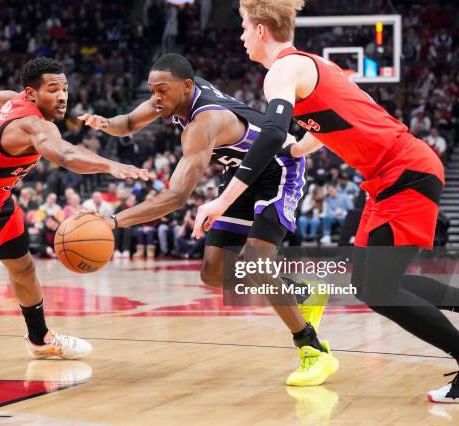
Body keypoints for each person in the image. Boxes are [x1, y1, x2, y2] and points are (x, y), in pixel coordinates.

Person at [193, 0, 459, 403]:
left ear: (263, 29)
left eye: (244, 27)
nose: (241, 36)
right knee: (373, 282)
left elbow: (270, 133)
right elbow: (328, 126)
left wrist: (222, 199)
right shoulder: (313, 67)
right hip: (391, 174)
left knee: (377, 287)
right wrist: (297, 147)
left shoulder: (283, 71)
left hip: (404, 170)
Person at [79, 53, 337, 386]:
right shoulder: (173, 96)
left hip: (278, 168)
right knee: (213, 273)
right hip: (240, 173)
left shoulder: (204, 123)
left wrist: (112, 221)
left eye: (162, 91)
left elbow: (175, 197)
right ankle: (299, 293)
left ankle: (313, 350)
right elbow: (128, 124)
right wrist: (104, 122)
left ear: (187, 86)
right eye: (152, 91)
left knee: (256, 263)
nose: (156, 98)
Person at [0, 57, 148, 386]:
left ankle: (40, 339)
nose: (62, 96)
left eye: (65, 89)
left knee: (24, 268)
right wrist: (109, 165)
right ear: (31, 94)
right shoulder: (34, 125)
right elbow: (67, 156)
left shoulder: (9, 100)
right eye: (53, 90)